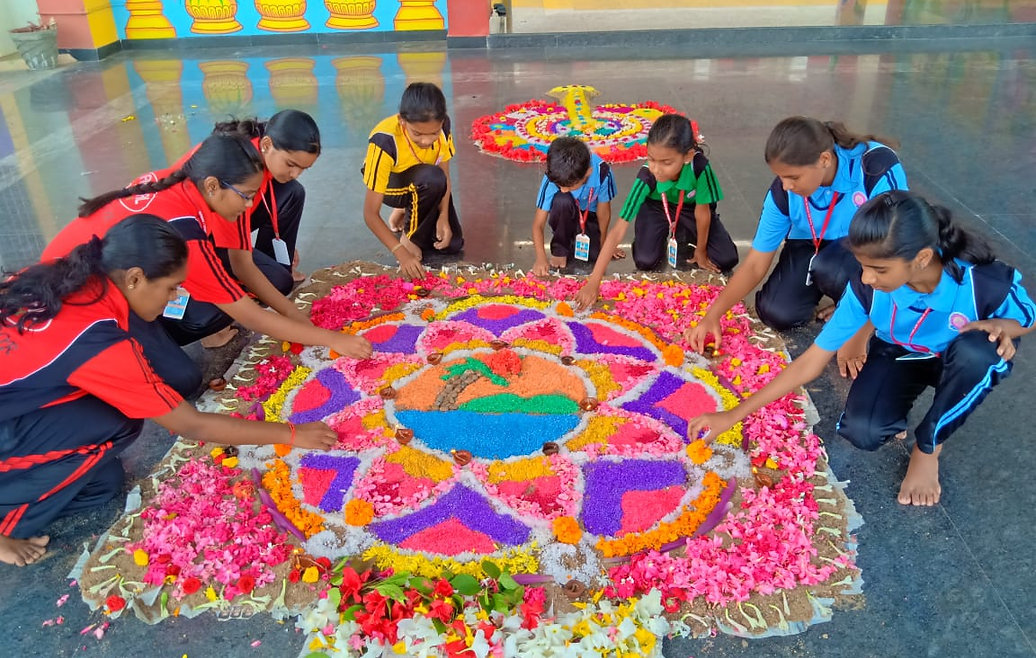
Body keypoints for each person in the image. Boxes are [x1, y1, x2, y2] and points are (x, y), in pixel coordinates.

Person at [1, 216, 341, 566]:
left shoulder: (72, 277)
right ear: (134, 278)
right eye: (171, 287)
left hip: (19, 405)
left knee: (103, 484)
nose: (177, 296)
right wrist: (291, 433)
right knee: (119, 423)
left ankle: (34, 471)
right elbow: (189, 424)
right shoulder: (96, 340)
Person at [687, 191, 1034, 507]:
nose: (867, 277)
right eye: (864, 266)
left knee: (981, 353)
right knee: (863, 431)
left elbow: (1028, 316)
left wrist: (1005, 326)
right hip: (903, 352)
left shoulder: (982, 281)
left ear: (922, 258)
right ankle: (896, 408)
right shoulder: (868, 287)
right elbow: (811, 361)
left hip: (961, 360)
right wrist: (733, 415)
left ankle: (929, 444)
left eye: (879, 269)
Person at [41, 133, 371, 384]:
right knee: (183, 379)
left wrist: (298, 318)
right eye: (248, 197)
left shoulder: (191, 184)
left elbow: (241, 265)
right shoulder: (184, 232)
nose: (249, 206)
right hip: (72, 305)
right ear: (213, 186)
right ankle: (136, 340)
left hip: (116, 279)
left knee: (261, 282)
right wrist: (331, 339)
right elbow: (249, 314)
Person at [685, 116, 908, 347]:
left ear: (824, 159)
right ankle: (847, 296)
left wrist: (860, 328)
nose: (786, 186)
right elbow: (754, 264)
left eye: (793, 177)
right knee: (776, 312)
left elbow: (897, 248)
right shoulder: (782, 193)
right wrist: (712, 316)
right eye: (780, 176)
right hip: (811, 244)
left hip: (868, 251)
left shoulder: (875, 168)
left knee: (831, 267)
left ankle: (858, 304)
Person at [574, 114, 737, 308]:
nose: (656, 169)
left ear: (687, 156)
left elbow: (703, 213)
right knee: (646, 260)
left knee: (727, 258)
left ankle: (686, 235)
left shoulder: (700, 168)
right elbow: (618, 230)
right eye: (651, 159)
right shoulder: (646, 175)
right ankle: (652, 234)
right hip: (656, 206)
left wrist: (701, 251)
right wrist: (593, 282)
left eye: (666, 163)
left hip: (690, 208)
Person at [362, 82, 464, 280]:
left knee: (452, 244)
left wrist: (443, 216)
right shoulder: (384, 141)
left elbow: (445, 175)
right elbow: (370, 214)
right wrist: (400, 251)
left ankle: (408, 210)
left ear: (442, 121)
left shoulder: (444, 126)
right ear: (402, 121)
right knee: (430, 178)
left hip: (424, 180)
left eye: (433, 133)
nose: (426, 141)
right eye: (417, 133)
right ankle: (409, 234)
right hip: (393, 187)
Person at [530, 136, 619, 276]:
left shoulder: (602, 173)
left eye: (569, 186)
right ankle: (560, 247)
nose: (564, 190)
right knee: (562, 200)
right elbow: (538, 224)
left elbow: (604, 214)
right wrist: (540, 258)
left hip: (590, 215)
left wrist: (605, 245)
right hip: (565, 213)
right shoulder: (554, 176)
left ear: (587, 173)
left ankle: (581, 238)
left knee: (593, 257)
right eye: (560, 186)